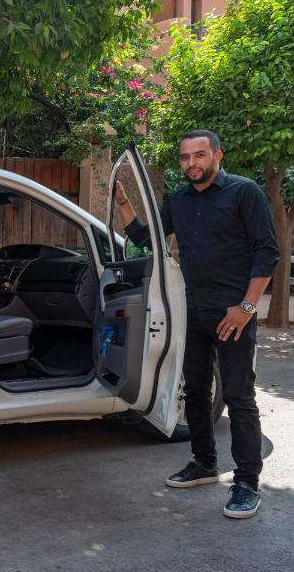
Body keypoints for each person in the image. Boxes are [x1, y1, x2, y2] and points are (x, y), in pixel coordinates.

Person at [114, 129, 279, 519]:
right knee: (197, 391)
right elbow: (145, 238)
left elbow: (266, 252)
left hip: (233, 314)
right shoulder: (179, 200)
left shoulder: (245, 192)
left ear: (217, 156)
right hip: (192, 310)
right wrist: (122, 201)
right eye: (185, 157)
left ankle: (247, 483)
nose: (192, 163)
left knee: (239, 397)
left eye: (200, 155)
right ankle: (204, 462)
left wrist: (246, 308)